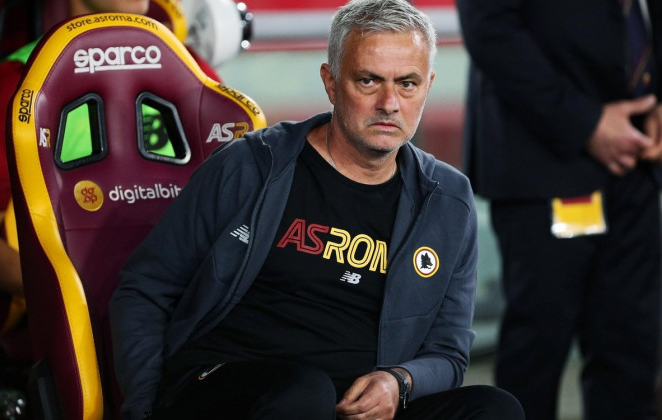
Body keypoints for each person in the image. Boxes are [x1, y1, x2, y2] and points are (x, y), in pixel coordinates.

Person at [110, 1, 525, 419]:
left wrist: (399, 381)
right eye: (368, 81)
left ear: (428, 85)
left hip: (349, 408)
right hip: (231, 386)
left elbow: (448, 354)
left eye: (407, 84)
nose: (389, 102)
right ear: (330, 82)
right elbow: (146, 289)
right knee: (303, 392)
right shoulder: (250, 165)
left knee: (495, 409)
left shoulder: (448, 201)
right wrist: (144, 408)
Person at [0, 0, 226, 405]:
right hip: (66, 333)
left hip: (182, 316)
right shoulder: (22, 81)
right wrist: (68, 297)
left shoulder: (189, 71)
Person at [456, 0, 662, 419]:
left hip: (637, 156)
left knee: (631, 344)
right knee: (539, 345)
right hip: (545, 160)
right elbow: (491, 29)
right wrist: (586, 123)